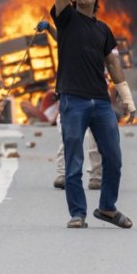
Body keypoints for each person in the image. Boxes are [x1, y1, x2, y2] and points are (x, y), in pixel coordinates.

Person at [52, 0, 136, 229]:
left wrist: (127, 100)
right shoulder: (66, 19)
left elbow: (113, 66)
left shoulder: (104, 30)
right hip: (73, 100)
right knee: (74, 160)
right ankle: (78, 213)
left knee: (113, 157)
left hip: (100, 103)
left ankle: (107, 208)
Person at [36, 20, 103, 190]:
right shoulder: (71, 44)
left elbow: (112, 66)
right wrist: (50, 28)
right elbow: (62, 37)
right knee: (68, 137)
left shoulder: (101, 42)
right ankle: (62, 174)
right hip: (72, 96)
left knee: (96, 139)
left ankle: (96, 176)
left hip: (95, 96)